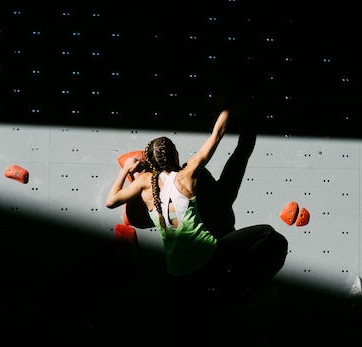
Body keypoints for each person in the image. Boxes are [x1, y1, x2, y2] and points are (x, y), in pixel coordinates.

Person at [105, 108, 288, 305]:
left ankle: (231, 286)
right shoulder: (187, 174)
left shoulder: (145, 184)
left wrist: (126, 169)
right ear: (176, 155)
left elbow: (111, 201)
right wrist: (229, 106)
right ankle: (239, 288)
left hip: (177, 272)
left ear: (150, 162)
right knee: (269, 235)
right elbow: (217, 134)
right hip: (209, 257)